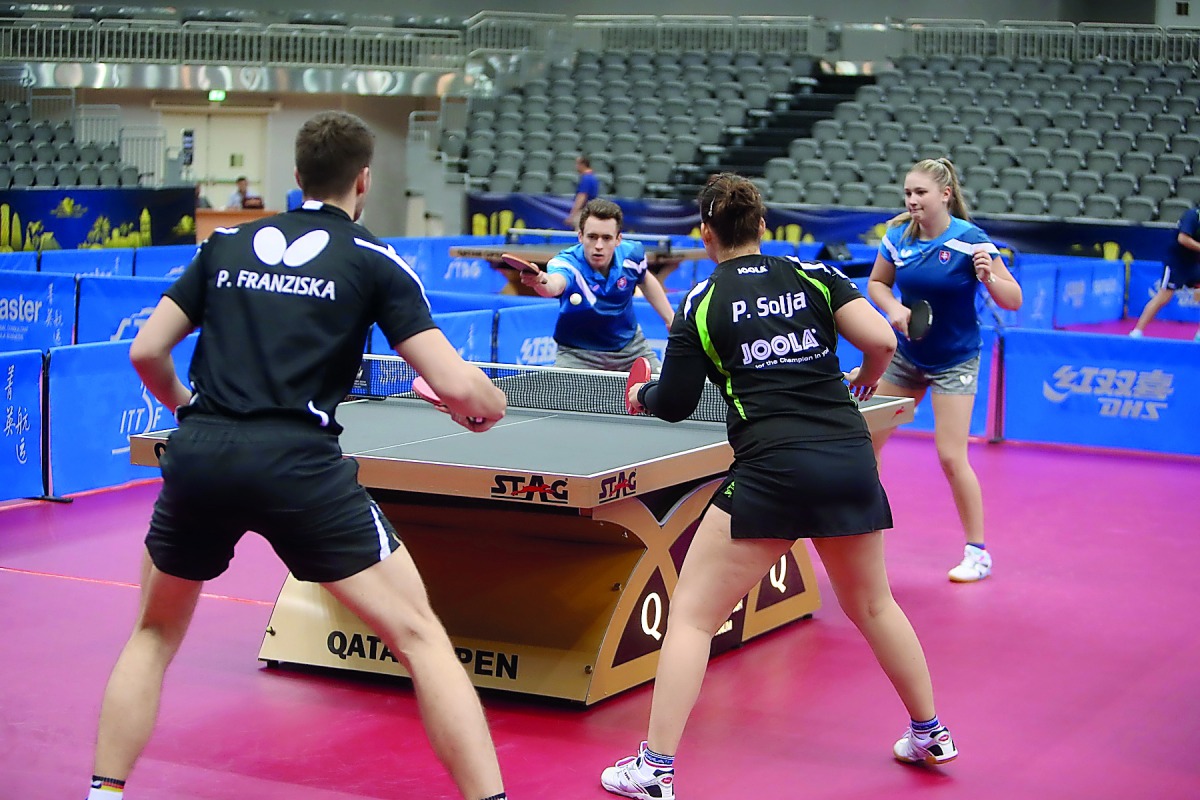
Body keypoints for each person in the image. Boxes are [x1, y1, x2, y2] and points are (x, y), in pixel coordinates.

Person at [86, 111, 510, 800]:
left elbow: (146, 350)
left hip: (202, 454)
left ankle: (103, 792)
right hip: (299, 465)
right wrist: (488, 403)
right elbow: (459, 386)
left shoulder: (225, 244)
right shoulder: (373, 258)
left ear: (296, 175)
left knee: (154, 632)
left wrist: (190, 411)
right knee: (420, 636)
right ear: (363, 180)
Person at [602, 173, 957, 799]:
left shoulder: (701, 302)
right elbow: (881, 339)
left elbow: (676, 402)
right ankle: (930, 731)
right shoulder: (812, 275)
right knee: (874, 605)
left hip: (772, 469)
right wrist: (867, 377)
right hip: (848, 456)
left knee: (692, 618)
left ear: (705, 234)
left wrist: (642, 395)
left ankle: (654, 770)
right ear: (762, 226)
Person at [867, 158, 1022, 583]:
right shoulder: (897, 238)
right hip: (907, 356)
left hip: (955, 360)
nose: (912, 200)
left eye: (920, 193)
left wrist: (990, 278)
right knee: (865, 442)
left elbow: (1013, 299)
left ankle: (978, 553)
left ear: (945, 194)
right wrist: (894, 308)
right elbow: (877, 283)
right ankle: (863, 532)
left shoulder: (971, 241)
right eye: (908, 193)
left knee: (952, 456)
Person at [521, 198, 674, 371]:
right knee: (559, 390)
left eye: (606, 238)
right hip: (578, 354)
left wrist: (670, 318)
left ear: (618, 239)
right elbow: (554, 285)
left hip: (630, 349)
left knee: (660, 386)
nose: (599, 246)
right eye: (592, 237)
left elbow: (644, 278)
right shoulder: (567, 263)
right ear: (580, 236)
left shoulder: (632, 255)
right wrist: (540, 281)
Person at [1130, 203, 1200, 340]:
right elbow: (1183, 239)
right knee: (1164, 297)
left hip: (1194, 263)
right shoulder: (1193, 216)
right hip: (1177, 263)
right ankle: (1137, 332)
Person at [564, 155, 600, 230]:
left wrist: (572, 215)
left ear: (582, 165)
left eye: (577, 164)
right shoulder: (592, 177)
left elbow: (581, 197)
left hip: (583, 212)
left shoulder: (586, 179)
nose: (576, 166)